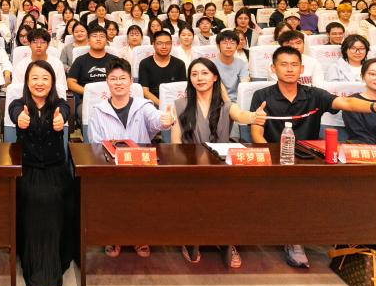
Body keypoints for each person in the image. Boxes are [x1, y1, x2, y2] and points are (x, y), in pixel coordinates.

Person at [250, 46, 376, 268]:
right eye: (284, 64)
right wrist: (272, 160)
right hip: (275, 156)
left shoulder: (314, 94)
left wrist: (373, 106)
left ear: (302, 69)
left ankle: (345, 239)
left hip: (309, 158)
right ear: (273, 68)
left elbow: (346, 103)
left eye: (294, 65)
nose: (289, 69)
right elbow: (256, 133)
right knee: (291, 187)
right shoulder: (262, 96)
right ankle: (295, 240)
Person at [165, 57, 267, 267]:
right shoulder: (179, 105)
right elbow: (175, 143)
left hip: (221, 167)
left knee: (230, 196)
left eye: (204, 73)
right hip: (190, 168)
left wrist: (253, 117)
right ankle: (190, 239)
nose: (199, 78)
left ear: (214, 77)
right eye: (194, 74)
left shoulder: (227, 105)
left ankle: (227, 240)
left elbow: (241, 115)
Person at [86, 59, 174, 257]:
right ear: (107, 82)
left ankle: (140, 237)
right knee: (112, 196)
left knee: (142, 199)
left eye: (123, 78)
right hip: (112, 168)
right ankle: (113, 237)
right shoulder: (98, 111)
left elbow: (156, 119)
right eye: (113, 79)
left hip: (141, 167)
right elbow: (95, 144)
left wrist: (165, 121)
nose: (118, 83)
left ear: (131, 81)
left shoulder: (144, 106)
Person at [9, 61, 74, 286]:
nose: (40, 83)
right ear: (27, 82)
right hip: (28, 170)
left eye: (45, 78)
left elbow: (65, 111)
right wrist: (20, 118)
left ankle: (52, 275)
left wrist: (61, 119)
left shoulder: (59, 105)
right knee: (34, 202)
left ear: (52, 82)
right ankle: (35, 275)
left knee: (54, 201)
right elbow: (14, 113)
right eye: (35, 78)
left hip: (56, 171)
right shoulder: (18, 105)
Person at [66, 24, 117, 120]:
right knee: (85, 112)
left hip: (112, 98)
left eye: (102, 36)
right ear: (88, 40)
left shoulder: (115, 60)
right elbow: (70, 82)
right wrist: (89, 92)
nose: (98, 39)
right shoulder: (80, 60)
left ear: (106, 41)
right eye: (94, 36)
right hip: (88, 99)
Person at [12, 28, 66, 97]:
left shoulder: (57, 64)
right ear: (29, 44)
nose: (38, 45)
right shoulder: (21, 65)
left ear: (48, 45)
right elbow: (17, 90)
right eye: (35, 42)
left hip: (51, 100)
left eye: (43, 42)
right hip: (27, 100)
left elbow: (60, 89)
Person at [137, 30, 186, 106]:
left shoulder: (180, 64)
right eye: (160, 43)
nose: (164, 47)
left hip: (175, 103)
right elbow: (145, 91)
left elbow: (182, 89)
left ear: (171, 44)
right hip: (152, 104)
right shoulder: (145, 63)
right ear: (153, 45)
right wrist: (162, 105)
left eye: (168, 43)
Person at [213, 30, 250, 102]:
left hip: (238, 101)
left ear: (237, 46)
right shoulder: (211, 65)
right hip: (218, 101)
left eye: (232, 43)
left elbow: (244, 84)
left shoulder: (242, 64)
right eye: (225, 43)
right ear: (218, 46)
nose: (229, 46)